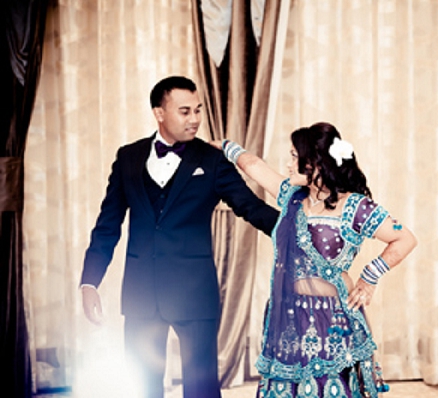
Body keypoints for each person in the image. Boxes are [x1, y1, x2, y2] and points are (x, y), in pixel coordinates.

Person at [79, 75, 279, 398]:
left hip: (194, 293)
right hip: (142, 293)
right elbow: (107, 225)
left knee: (201, 390)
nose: (196, 119)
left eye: (198, 110)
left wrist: (297, 229)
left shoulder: (213, 161)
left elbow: (249, 206)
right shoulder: (128, 158)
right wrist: (90, 281)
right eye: (185, 111)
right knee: (143, 388)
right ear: (159, 113)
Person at [212, 122, 418, 397]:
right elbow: (253, 165)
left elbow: (405, 238)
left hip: (333, 319)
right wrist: (223, 145)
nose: (288, 165)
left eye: (295, 157)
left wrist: (369, 278)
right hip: (290, 315)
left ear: (317, 163)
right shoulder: (291, 197)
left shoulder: (355, 206)